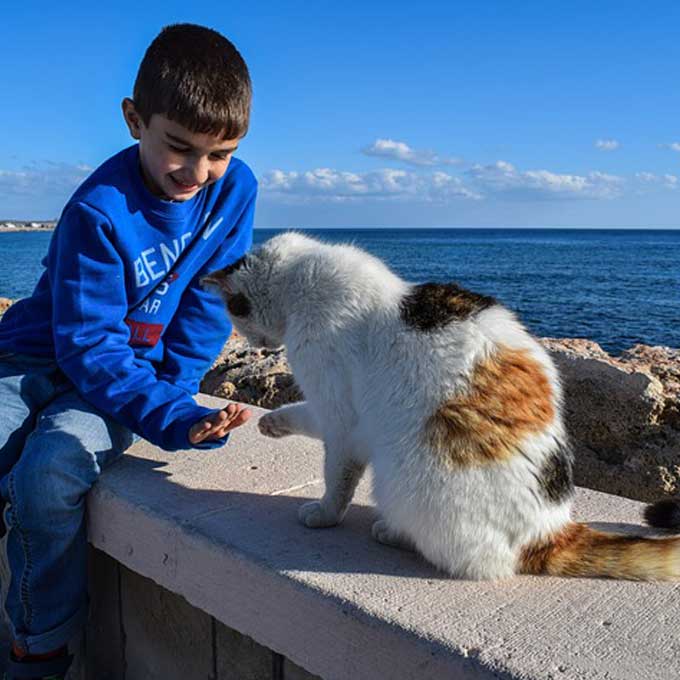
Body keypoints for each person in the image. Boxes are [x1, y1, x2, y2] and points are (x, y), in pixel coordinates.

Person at [0, 23, 255, 679]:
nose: (199, 173)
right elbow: (85, 343)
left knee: (49, 471)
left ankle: (40, 644)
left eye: (219, 153)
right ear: (135, 119)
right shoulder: (100, 209)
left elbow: (205, 302)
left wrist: (174, 400)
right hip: (36, 360)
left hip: (118, 379)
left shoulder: (233, 192)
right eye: (179, 148)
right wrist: (162, 408)